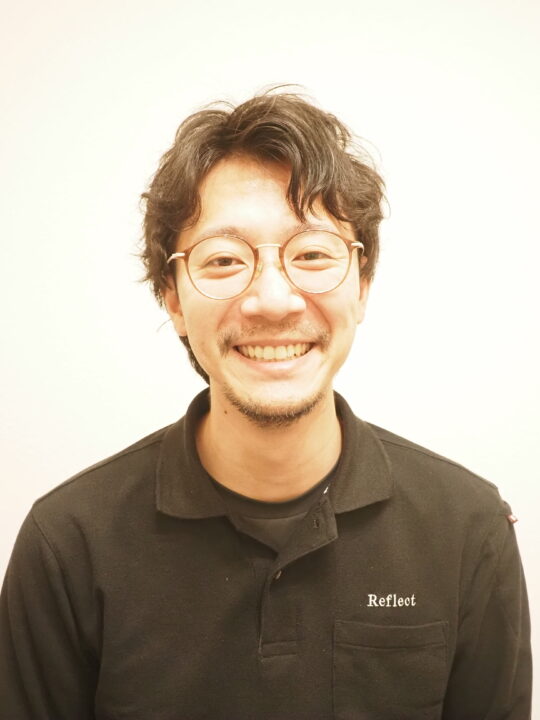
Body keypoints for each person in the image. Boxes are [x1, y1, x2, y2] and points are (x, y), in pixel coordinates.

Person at [0, 90, 532, 719]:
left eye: (312, 254)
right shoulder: (69, 545)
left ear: (363, 285)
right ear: (172, 298)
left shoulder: (467, 529)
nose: (273, 301)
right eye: (224, 260)